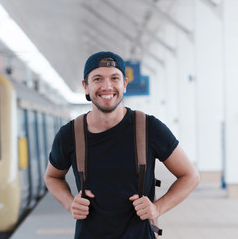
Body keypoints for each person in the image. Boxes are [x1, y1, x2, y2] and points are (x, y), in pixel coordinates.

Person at [44, 51, 200, 239]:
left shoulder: (149, 128)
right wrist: (70, 203)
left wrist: (157, 208)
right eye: (98, 79)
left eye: (114, 78)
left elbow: (190, 176)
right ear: (86, 86)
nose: (107, 86)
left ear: (125, 84)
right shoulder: (70, 134)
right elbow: (52, 177)